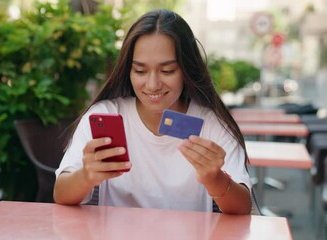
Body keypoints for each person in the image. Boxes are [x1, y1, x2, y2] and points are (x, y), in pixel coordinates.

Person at [54, 9, 252, 214]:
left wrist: (215, 179)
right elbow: (61, 193)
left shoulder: (210, 123)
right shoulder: (107, 114)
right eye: (140, 71)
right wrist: (86, 175)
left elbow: (243, 208)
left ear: (186, 69)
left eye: (167, 71)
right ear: (128, 70)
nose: (152, 84)